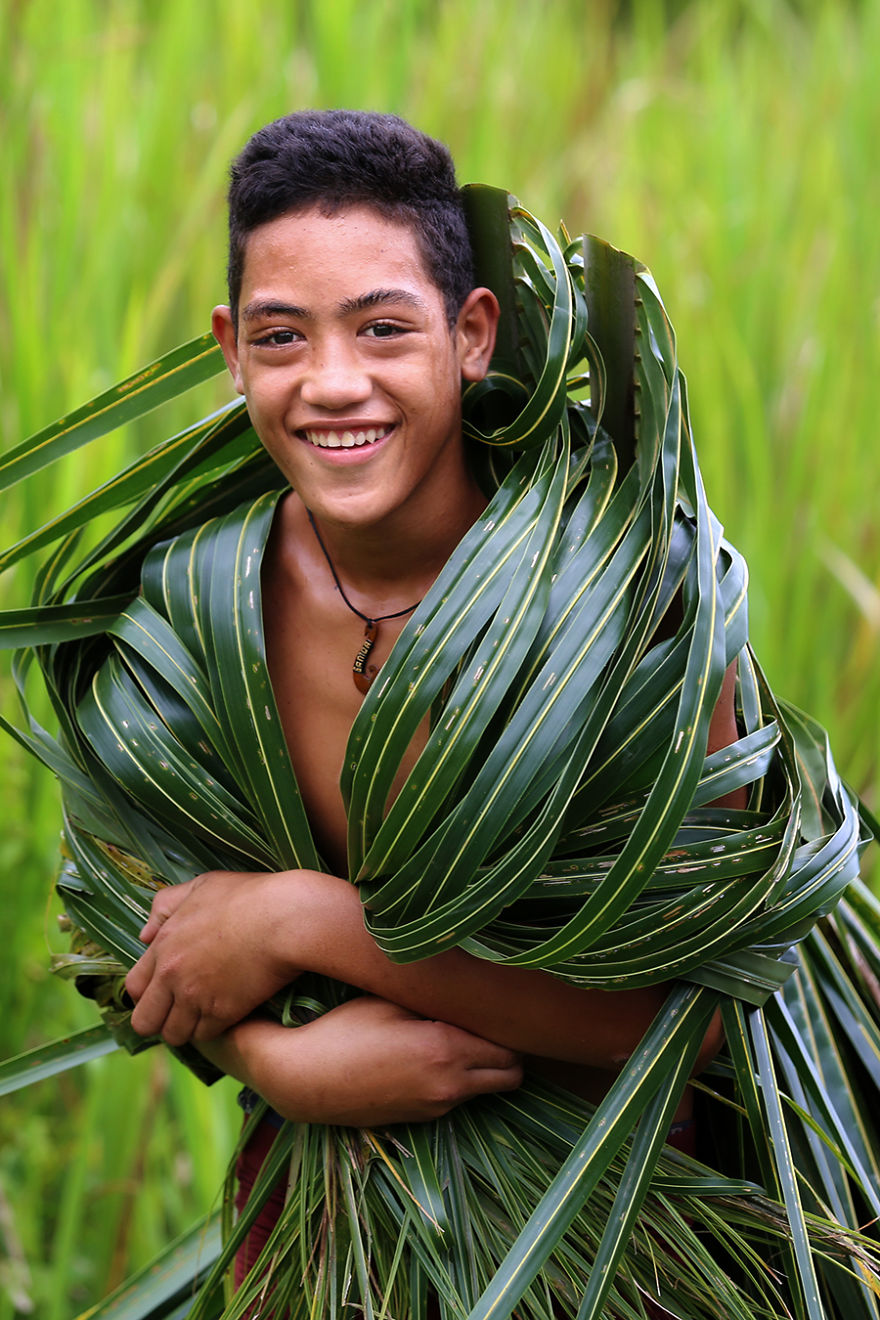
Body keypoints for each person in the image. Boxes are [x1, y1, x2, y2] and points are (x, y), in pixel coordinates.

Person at [121, 109, 734, 1300]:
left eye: (383, 328)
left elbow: (680, 1012)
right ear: (229, 350)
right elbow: (141, 936)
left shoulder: (626, 602)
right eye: (282, 336)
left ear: (471, 335)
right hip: (318, 1224)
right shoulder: (194, 607)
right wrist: (277, 1064)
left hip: (613, 1231)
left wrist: (299, 920)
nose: (332, 382)